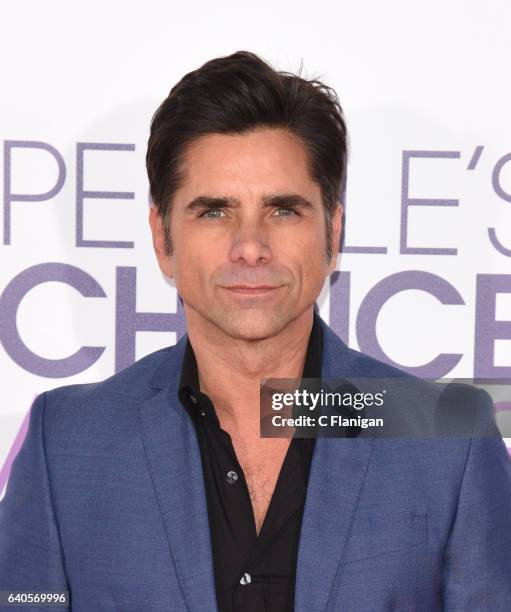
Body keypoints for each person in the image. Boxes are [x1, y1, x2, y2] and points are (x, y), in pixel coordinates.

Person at [1, 50, 510, 612]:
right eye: (214, 211)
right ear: (162, 236)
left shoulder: (447, 438)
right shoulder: (67, 441)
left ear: (332, 231)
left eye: (284, 210)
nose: (250, 247)